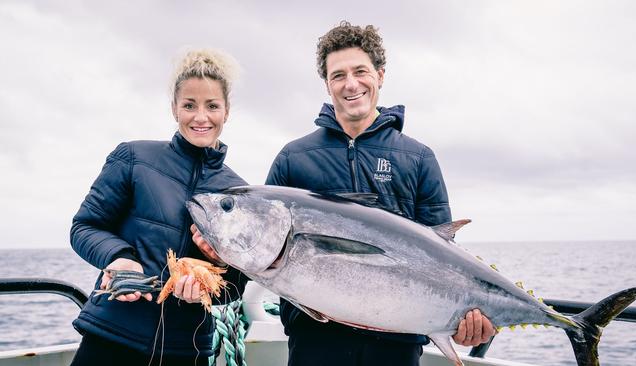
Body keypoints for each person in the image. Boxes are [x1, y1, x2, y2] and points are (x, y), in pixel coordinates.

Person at [264, 21, 495, 365]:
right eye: (338, 75)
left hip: (395, 348)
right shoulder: (293, 159)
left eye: (360, 71)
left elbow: (443, 258)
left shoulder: (418, 158)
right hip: (314, 343)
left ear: (380, 75)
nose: (351, 84)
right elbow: (263, 243)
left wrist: (464, 319)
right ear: (327, 84)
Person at [69, 49, 248, 366]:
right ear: (174, 109)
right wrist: (119, 259)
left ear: (227, 111)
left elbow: (233, 287)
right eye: (189, 105)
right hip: (112, 335)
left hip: (186, 349)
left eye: (212, 106)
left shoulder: (238, 192)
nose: (200, 117)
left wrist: (211, 279)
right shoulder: (133, 158)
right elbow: (85, 227)